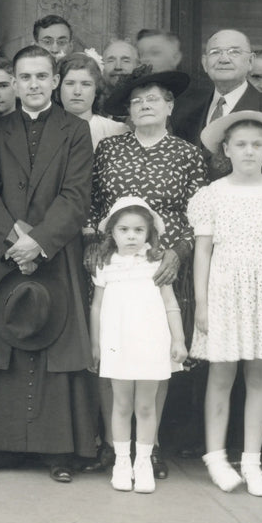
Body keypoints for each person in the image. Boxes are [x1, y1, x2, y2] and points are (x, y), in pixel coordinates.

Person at [0, 45, 96, 480]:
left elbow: (76, 196)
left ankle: (57, 451)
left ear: (55, 81)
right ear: (14, 82)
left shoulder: (75, 130)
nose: (34, 85)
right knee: (2, 342)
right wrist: (13, 238)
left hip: (53, 252)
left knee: (52, 343)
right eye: (25, 77)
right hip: (4, 249)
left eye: (42, 76)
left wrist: (38, 241)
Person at [90, 68, 206, 477]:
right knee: (114, 350)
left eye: (152, 99)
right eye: (136, 101)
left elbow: (198, 217)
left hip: (164, 269)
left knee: (155, 356)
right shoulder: (109, 150)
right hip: (116, 266)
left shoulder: (188, 154)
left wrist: (178, 251)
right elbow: (94, 207)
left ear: (170, 106)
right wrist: (95, 248)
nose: (143, 106)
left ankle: (149, 447)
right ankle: (112, 443)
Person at [189, 113, 262, 496]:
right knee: (221, 376)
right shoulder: (211, 194)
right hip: (225, 287)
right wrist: (202, 303)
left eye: (257, 144)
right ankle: (216, 457)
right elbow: (202, 251)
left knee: (260, 377)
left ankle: (252, 461)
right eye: (241, 144)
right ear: (226, 149)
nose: (249, 150)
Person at [88, 198, 186, 493]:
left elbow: (170, 304)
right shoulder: (105, 265)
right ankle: (121, 461)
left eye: (138, 230)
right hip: (118, 343)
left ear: (149, 233)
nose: (131, 236)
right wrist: (96, 344)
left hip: (150, 342)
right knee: (121, 404)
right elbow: (97, 307)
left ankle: (142, 462)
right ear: (112, 233)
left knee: (145, 405)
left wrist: (179, 339)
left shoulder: (155, 262)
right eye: (124, 229)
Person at [172, 29, 262, 187]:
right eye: (215, 52)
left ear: (250, 61)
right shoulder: (186, 112)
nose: (224, 59)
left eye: (234, 52)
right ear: (204, 63)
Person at [58, 51, 126, 148]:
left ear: (96, 89)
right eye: (70, 83)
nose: (77, 91)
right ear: (58, 87)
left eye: (86, 84)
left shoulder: (116, 131)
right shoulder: (45, 129)